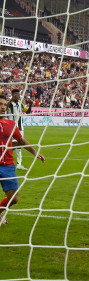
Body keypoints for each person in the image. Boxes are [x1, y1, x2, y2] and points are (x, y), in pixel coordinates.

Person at [0, 94, 45, 226]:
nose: (2, 107)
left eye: (4, 105)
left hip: (7, 165)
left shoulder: (11, 124)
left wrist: (35, 152)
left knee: (14, 198)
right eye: (0, 105)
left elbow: (20, 140)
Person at [8, 89, 31, 171]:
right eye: (17, 95)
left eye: (19, 95)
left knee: (20, 144)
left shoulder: (20, 104)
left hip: (20, 127)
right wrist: (11, 98)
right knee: (8, 144)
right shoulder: (10, 103)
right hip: (10, 127)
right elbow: (6, 106)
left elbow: (27, 112)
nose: (18, 96)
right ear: (13, 95)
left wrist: (30, 105)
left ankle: (19, 164)